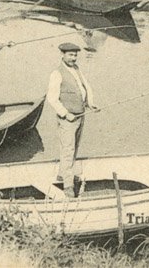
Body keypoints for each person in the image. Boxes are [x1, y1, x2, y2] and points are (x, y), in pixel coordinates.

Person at [46, 43, 99, 197]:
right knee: (68, 150)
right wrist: (65, 113)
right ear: (62, 54)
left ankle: (63, 174)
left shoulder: (76, 69)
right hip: (68, 119)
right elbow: (52, 98)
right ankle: (68, 187)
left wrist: (90, 103)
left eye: (75, 55)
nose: (73, 58)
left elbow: (85, 87)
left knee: (74, 148)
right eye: (70, 55)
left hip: (80, 115)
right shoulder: (56, 73)